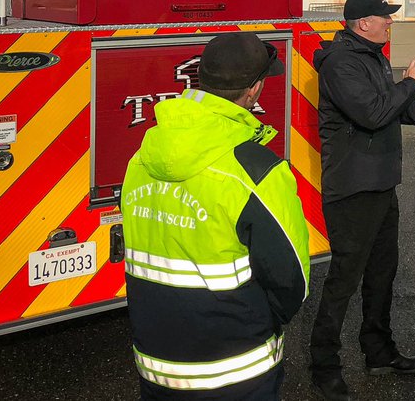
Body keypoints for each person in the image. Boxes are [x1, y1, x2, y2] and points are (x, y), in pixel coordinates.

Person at [121, 32, 310, 401]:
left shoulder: (143, 154)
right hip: (238, 370)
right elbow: (292, 281)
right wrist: (261, 320)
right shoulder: (258, 171)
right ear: (253, 91)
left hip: (157, 365)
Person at [308, 0, 415, 401]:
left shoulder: (372, 55)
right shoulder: (341, 62)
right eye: (384, 16)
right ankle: (324, 364)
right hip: (353, 186)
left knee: (382, 273)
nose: (390, 21)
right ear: (363, 23)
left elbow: (384, 107)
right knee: (344, 279)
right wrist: (409, 84)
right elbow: (370, 112)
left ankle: (379, 351)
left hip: (381, 181)